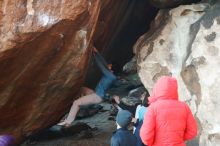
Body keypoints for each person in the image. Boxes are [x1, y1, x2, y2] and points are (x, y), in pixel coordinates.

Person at [58, 48, 117, 127]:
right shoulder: (111, 74)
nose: (108, 65)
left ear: (112, 69)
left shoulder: (111, 76)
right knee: (80, 89)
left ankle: (68, 122)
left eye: (110, 65)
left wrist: (95, 56)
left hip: (97, 97)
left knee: (76, 103)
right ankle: (71, 109)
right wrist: (97, 53)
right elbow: (104, 64)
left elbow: (102, 67)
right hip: (95, 93)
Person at [140, 76, 198, 146]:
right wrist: (179, 139)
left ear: (157, 89)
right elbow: (192, 131)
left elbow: (146, 135)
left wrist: (152, 143)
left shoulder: (153, 108)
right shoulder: (184, 107)